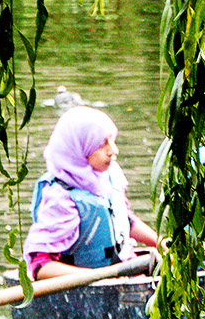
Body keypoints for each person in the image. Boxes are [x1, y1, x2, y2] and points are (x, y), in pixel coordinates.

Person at [24, 105, 161, 279]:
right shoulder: (60, 197)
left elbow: (123, 219)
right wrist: (101, 277)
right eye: (102, 144)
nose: (114, 151)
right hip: (87, 286)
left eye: (112, 141)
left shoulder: (109, 175)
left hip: (122, 272)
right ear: (79, 149)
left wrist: (161, 243)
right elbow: (40, 267)